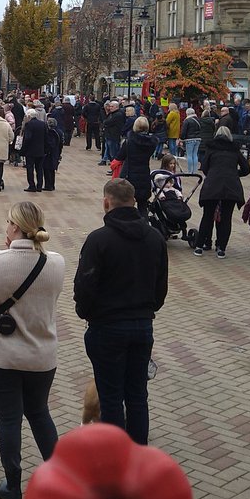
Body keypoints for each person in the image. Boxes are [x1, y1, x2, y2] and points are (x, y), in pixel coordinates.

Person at [0, 201, 64, 499]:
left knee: (8, 418)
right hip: (42, 356)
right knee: (39, 412)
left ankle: (13, 488)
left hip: (2, 356)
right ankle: (63, 479)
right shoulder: (57, 263)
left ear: (14, 228)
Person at [73, 178, 168, 446]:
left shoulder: (98, 240)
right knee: (138, 395)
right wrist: (148, 309)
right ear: (134, 202)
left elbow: (85, 285)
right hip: (141, 325)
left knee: (111, 396)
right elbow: (161, 286)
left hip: (106, 327)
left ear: (106, 202)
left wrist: (86, 312)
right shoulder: (155, 238)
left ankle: (115, 455)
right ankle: (138, 452)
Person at [193, 126, 250, 257]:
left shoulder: (211, 149)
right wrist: (234, 173)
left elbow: (205, 167)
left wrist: (214, 173)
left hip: (213, 184)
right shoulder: (235, 150)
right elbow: (246, 169)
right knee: (226, 218)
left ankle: (200, 246)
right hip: (231, 186)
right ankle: (221, 248)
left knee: (207, 216)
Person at [122, 115, 161, 214]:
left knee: (126, 204)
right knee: (143, 205)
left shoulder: (129, 141)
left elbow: (120, 156)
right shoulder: (151, 143)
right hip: (144, 174)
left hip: (130, 174)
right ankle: (144, 225)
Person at [20, 109, 47, 193]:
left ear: (29, 116)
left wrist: (23, 149)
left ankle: (32, 185)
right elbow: (46, 137)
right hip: (41, 150)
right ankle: (39, 186)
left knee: (30, 168)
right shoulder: (43, 124)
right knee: (39, 169)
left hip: (30, 151)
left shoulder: (29, 125)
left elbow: (27, 138)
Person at [180, 107, 201, 172]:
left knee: (189, 155)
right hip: (198, 139)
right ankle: (194, 171)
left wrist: (181, 139)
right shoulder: (198, 120)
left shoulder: (187, 120)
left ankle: (189, 170)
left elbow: (183, 131)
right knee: (195, 154)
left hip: (189, 139)